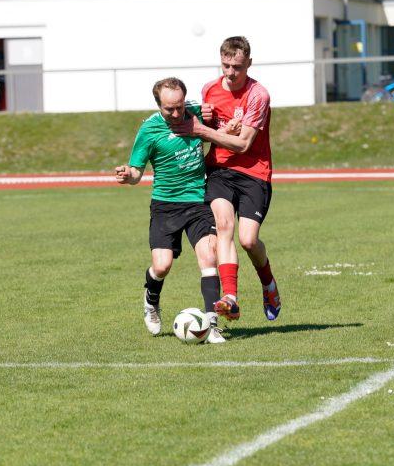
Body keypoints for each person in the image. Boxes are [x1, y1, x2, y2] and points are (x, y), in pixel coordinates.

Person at [175, 35, 281, 323]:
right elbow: (209, 126)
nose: (230, 73)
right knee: (224, 225)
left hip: (254, 172)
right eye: (225, 66)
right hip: (220, 169)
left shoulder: (258, 95)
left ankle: (268, 284)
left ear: (249, 63)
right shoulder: (210, 89)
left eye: (236, 66)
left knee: (248, 240)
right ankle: (230, 299)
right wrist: (205, 119)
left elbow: (244, 144)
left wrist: (203, 130)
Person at [115, 77, 225, 344]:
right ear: (158, 106)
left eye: (180, 107)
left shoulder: (196, 112)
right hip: (165, 205)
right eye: (169, 109)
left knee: (209, 259)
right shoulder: (149, 131)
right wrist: (127, 175)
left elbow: (219, 122)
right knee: (162, 266)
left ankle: (212, 325)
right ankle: (151, 301)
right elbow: (137, 172)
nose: (176, 114)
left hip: (199, 201)